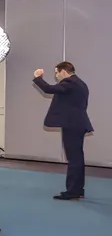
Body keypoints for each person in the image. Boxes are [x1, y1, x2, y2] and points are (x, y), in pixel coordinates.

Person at [33, 62, 92, 200]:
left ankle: (72, 191)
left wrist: (38, 77)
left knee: (73, 159)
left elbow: (48, 89)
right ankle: (78, 190)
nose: (56, 75)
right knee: (77, 158)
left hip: (72, 125)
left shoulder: (70, 83)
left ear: (64, 71)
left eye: (57, 72)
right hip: (78, 124)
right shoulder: (81, 84)